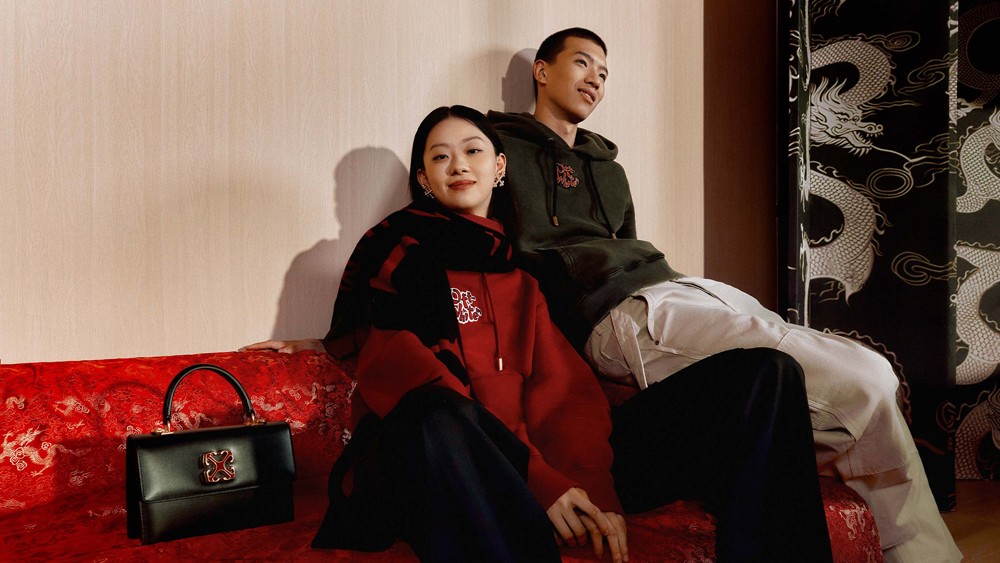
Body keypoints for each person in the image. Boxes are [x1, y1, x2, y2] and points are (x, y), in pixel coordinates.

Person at [243, 105, 833, 561]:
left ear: (499, 168)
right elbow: (406, 380)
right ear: (424, 179)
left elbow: (566, 396)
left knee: (765, 372)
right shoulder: (399, 260)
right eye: (440, 157)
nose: (458, 165)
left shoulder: (522, 280)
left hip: (542, 461)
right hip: (456, 462)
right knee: (434, 414)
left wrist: (593, 491)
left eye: (473, 151)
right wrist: (542, 484)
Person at [485, 27, 962, 563]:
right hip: (619, 311)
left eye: (604, 72)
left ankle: (927, 556)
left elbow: (625, 241)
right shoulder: (499, 152)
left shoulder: (608, 169)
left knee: (870, 375)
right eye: (581, 62)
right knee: (861, 378)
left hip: (676, 286)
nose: (595, 78)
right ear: (542, 71)